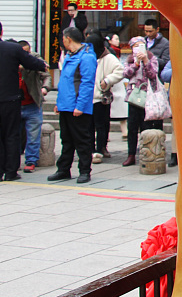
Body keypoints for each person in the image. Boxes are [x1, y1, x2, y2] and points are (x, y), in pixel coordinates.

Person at [48, 27, 97, 184]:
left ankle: (84, 171)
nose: (62, 41)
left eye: (63, 38)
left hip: (77, 106)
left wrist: (81, 106)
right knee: (66, 139)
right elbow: (65, 82)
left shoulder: (86, 56)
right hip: (66, 105)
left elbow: (87, 83)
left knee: (82, 140)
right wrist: (59, 103)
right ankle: (63, 169)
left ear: (68, 38)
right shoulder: (70, 55)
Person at [0, 25, 48, 181]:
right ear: (2, 32)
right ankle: (11, 171)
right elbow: (32, 63)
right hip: (10, 100)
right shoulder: (12, 48)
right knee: (11, 135)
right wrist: (43, 65)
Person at [122, 36, 163, 168]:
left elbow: (153, 74)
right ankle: (131, 154)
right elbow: (126, 74)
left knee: (147, 127)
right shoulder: (129, 60)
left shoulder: (152, 58)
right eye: (135, 46)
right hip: (134, 97)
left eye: (140, 45)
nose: (138, 48)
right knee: (132, 127)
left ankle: (146, 153)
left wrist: (146, 61)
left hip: (149, 98)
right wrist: (136, 64)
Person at [88, 33, 123, 164]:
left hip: (101, 97)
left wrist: (108, 80)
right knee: (89, 126)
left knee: (101, 125)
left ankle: (101, 148)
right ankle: (90, 149)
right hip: (88, 98)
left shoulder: (108, 57)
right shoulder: (88, 56)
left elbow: (120, 71)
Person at [17, 40, 47, 175]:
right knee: (13, 135)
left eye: (27, 52)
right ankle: (13, 161)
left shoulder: (34, 60)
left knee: (33, 134)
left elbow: (46, 74)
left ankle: (31, 161)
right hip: (15, 104)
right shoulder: (10, 61)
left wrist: (45, 88)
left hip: (32, 102)